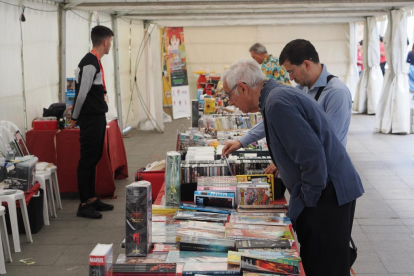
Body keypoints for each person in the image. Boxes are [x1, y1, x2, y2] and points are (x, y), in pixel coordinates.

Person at [222, 59, 364, 276]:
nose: (230, 103)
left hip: (327, 194)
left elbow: (313, 158)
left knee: (324, 266)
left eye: (229, 96)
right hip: (327, 189)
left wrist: (308, 202)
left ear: (242, 88)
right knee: (324, 261)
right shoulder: (276, 96)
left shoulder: (277, 102)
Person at [223, 39, 352, 175]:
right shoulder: (302, 88)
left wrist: (287, 160)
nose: (290, 78)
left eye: (291, 72)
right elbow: (275, 118)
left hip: (330, 171)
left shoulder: (337, 92)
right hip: (311, 168)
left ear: (306, 65)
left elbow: (329, 139)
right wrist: (242, 141)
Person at [68, 25, 115, 219]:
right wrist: (74, 118)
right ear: (105, 42)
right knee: (87, 159)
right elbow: (80, 96)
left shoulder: (95, 62)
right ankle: (84, 203)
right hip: (89, 118)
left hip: (97, 117)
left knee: (94, 157)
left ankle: (93, 198)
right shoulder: (89, 63)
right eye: (110, 42)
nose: (110, 45)